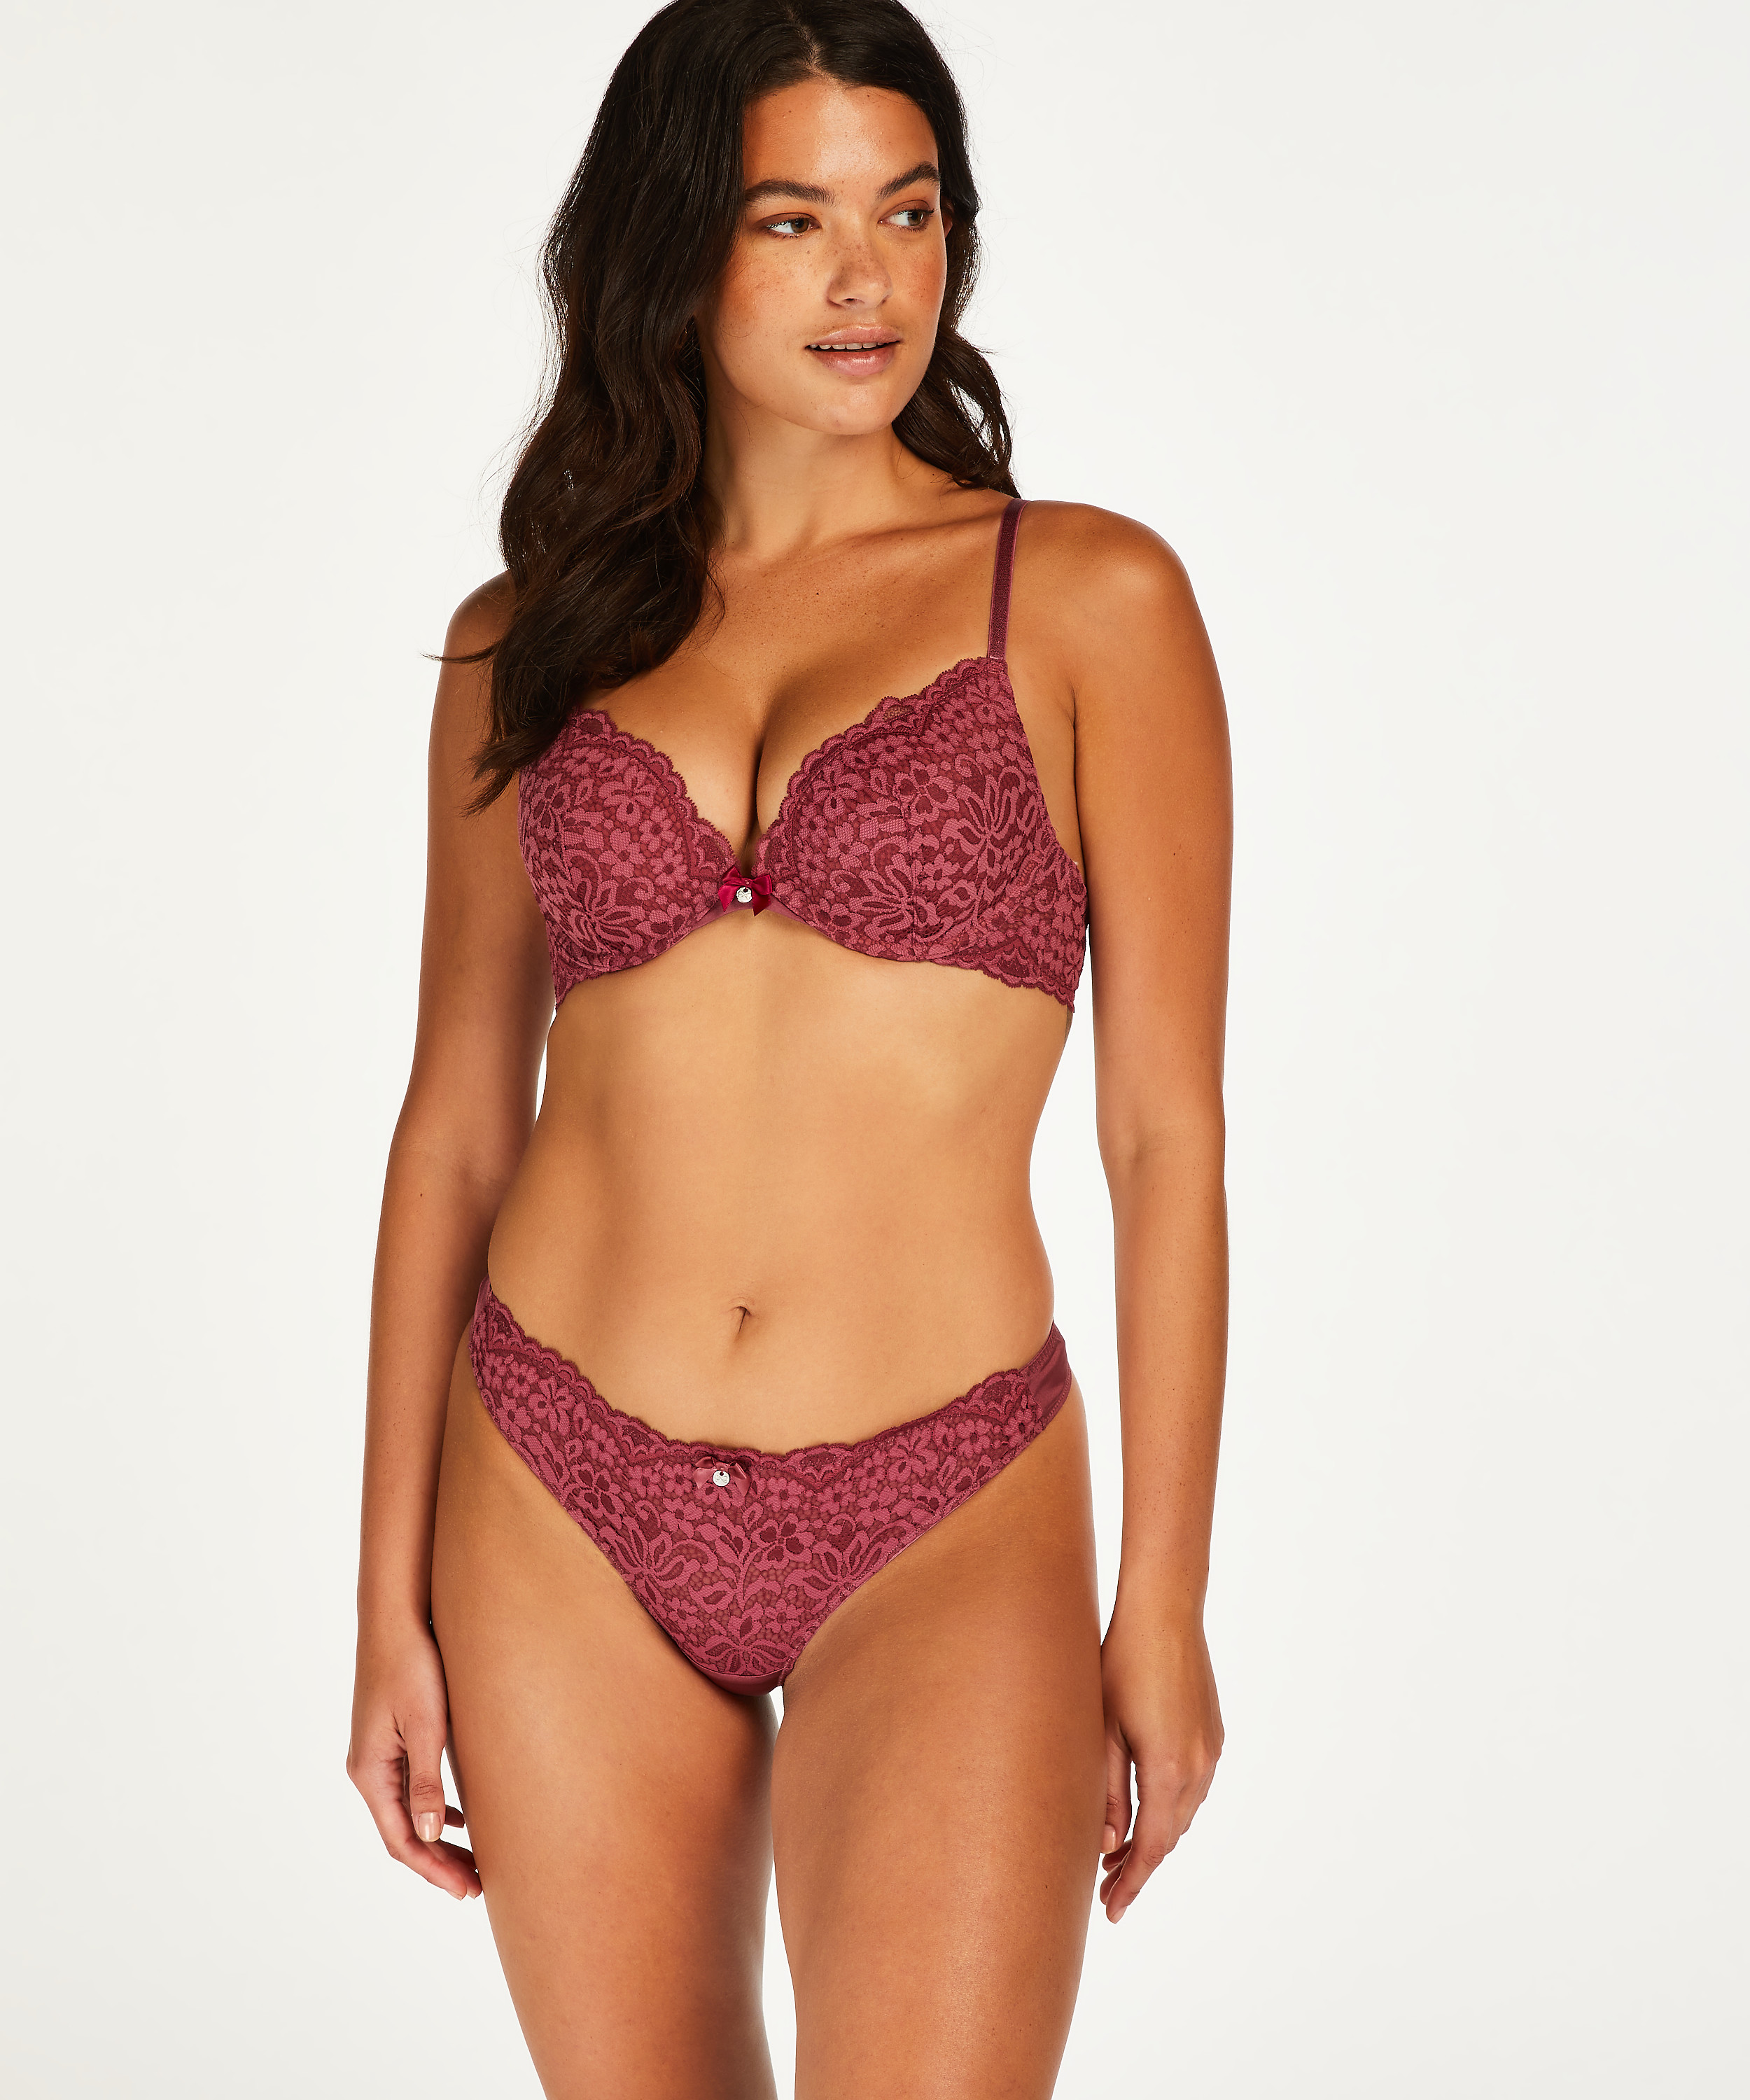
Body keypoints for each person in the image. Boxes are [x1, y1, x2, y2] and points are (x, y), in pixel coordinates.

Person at [346, 2, 1231, 2092]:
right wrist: (384, 1595)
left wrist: (1165, 1603)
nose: (869, 279)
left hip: (945, 1499)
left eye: (909, 214)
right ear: (673, 244)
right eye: (794, 220)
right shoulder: (526, 638)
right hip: (554, 1484)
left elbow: (1166, 1140)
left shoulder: (1084, 599)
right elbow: (457, 1124)